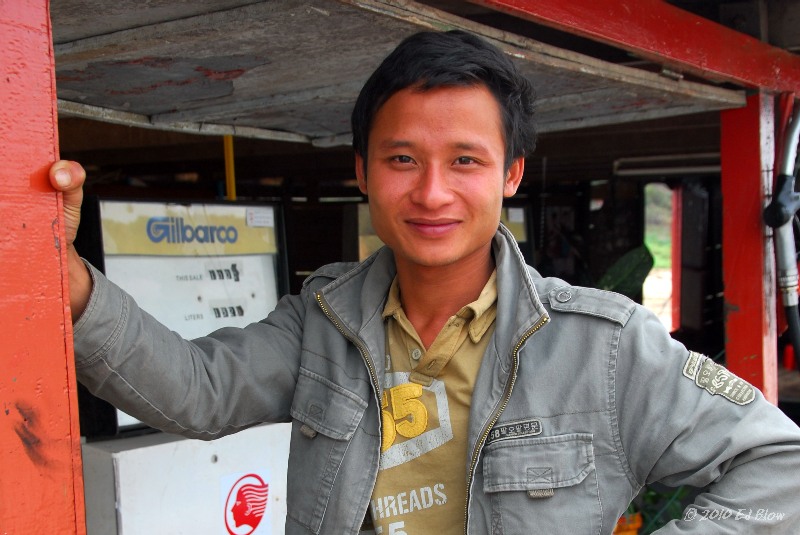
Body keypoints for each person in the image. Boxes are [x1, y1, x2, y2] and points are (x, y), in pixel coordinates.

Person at [50, 30, 800, 534]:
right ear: (362, 172)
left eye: (466, 161)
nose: (432, 192)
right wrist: (63, 273)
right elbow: (195, 388)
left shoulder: (603, 346)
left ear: (511, 173)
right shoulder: (321, 322)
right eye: (402, 159)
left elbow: (778, 461)